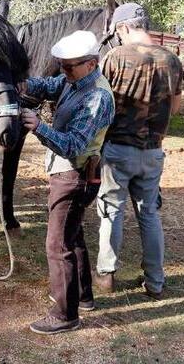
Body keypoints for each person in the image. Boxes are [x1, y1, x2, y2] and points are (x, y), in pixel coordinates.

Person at [19, 30, 114, 335]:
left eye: (69, 66)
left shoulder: (97, 97)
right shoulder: (74, 81)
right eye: (61, 65)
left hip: (74, 176)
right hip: (71, 174)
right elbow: (48, 85)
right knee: (72, 236)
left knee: (57, 244)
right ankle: (82, 296)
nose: (64, 71)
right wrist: (21, 83)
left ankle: (64, 315)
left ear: (91, 63)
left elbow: (74, 145)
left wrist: (39, 127)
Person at [94, 3, 183, 300]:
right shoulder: (172, 60)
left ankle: (106, 275)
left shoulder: (114, 57)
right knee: (149, 215)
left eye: (117, 32)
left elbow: (100, 104)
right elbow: (175, 107)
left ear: (123, 28)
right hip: (153, 152)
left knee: (112, 212)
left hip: (118, 150)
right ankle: (155, 282)